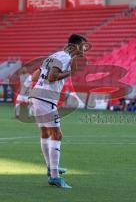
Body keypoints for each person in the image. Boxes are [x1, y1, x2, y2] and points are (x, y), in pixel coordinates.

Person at [29, 34, 90, 189]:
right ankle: (55, 177)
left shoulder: (53, 56)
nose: (85, 48)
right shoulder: (65, 58)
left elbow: (35, 76)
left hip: (37, 96)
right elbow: (51, 78)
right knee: (57, 135)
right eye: (83, 45)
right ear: (74, 46)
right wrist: (70, 73)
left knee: (45, 133)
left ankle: (51, 167)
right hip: (46, 99)